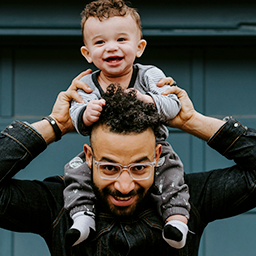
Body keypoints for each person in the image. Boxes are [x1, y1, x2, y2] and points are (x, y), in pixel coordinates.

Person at [1, 72, 256, 256]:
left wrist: (191, 120)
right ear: (89, 157)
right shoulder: (57, 204)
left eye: (139, 168)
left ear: (157, 155)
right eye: (109, 167)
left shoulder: (187, 198)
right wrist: (56, 125)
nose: (124, 186)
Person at [65, 0, 190, 248]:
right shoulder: (87, 84)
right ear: (87, 53)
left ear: (139, 47)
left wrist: (150, 100)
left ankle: (176, 220)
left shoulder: (149, 75)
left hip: (154, 147)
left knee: (172, 172)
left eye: (121, 40)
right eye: (100, 42)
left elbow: (174, 104)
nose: (111, 48)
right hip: (104, 153)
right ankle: (82, 217)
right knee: (75, 170)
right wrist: (84, 114)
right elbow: (75, 114)